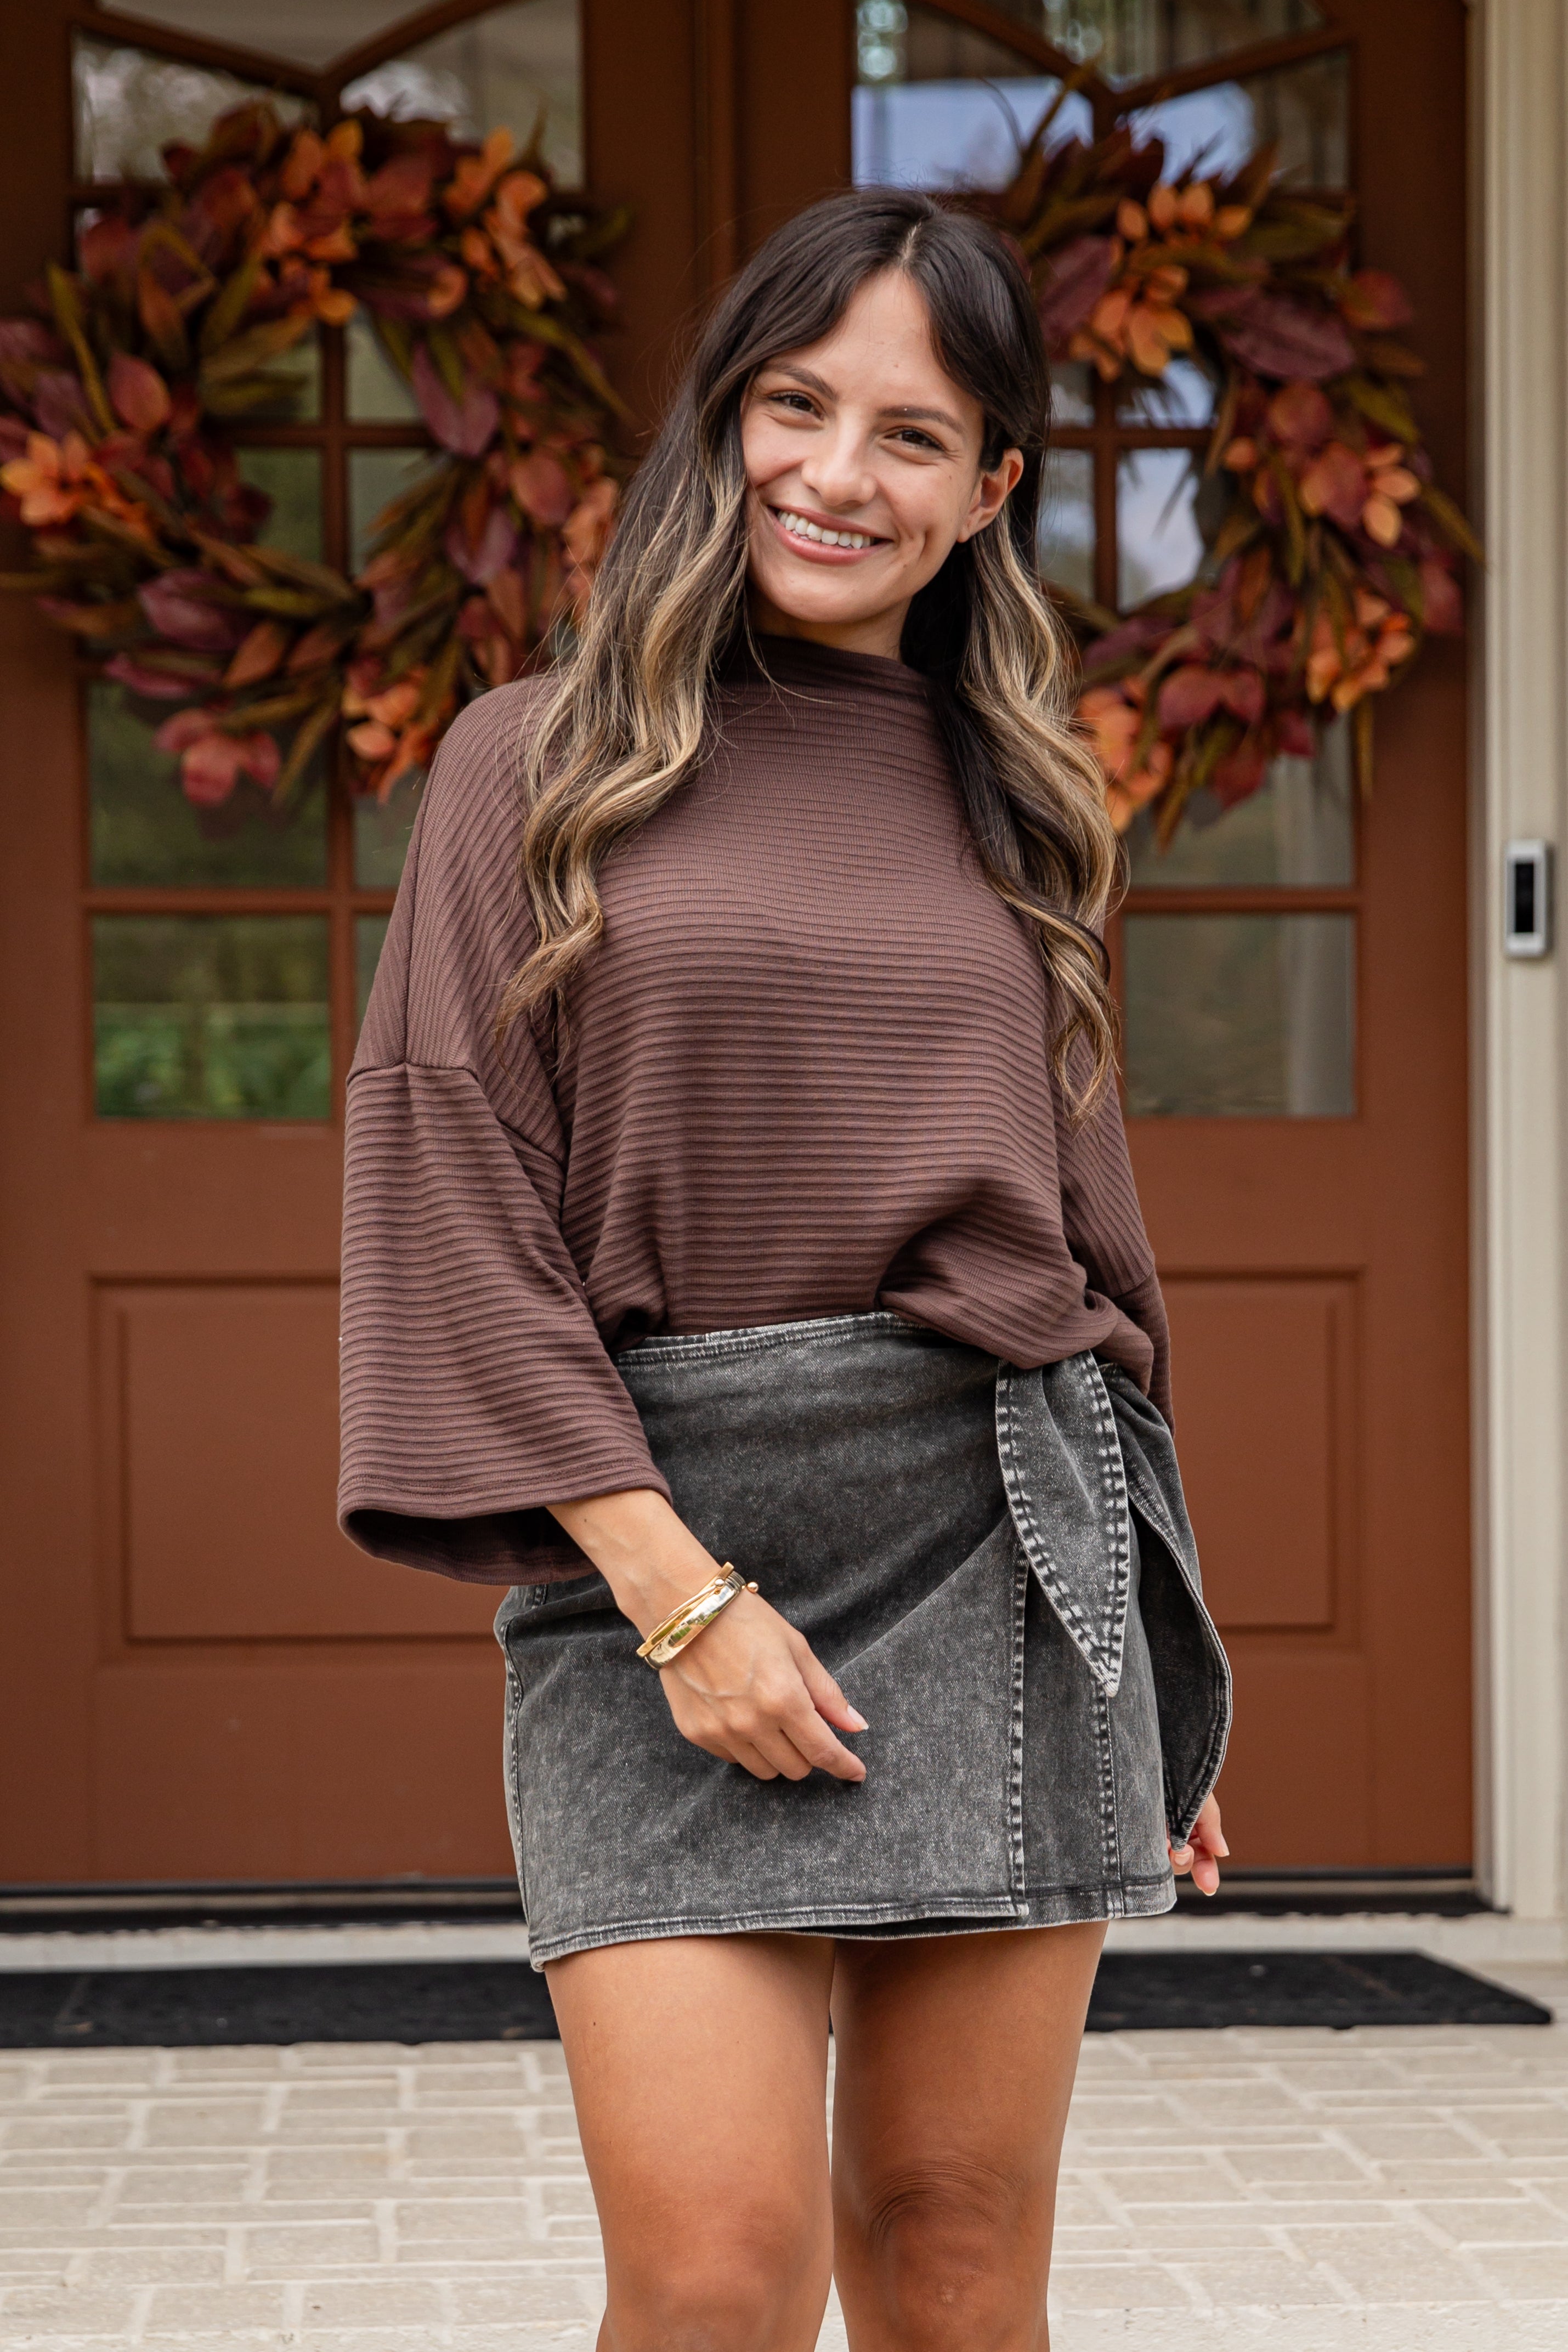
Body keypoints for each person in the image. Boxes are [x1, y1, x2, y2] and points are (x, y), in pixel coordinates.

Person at [339, 186, 1231, 2352]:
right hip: (663, 1545)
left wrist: (1166, 1663)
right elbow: (451, 1194)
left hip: (1006, 1535)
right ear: (722, 418)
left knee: (947, 2265)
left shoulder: (1019, 797)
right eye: (797, 404)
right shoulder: (525, 765)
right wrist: (674, 1592)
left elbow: (1093, 1252)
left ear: (990, 487)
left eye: (913, 434)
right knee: (714, 2274)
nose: (841, 473)